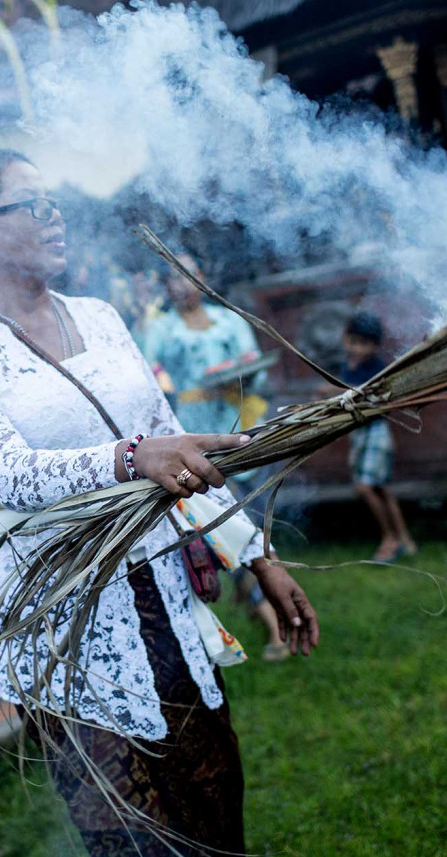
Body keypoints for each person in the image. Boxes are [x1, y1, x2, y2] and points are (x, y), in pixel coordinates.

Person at [0, 148, 319, 857]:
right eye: (31, 203)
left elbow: (175, 447)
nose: (55, 213)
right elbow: (8, 474)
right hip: (65, 624)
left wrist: (256, 557)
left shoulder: (99, 318)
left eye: (55, 199)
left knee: (215, 817)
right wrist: (134, 457)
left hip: (162, 598)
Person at [139, 255, 288, 660]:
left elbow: (252, 365)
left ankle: (274, 607)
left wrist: (240, 375)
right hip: (194, 440)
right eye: (174, 278)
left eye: (191, 275)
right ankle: (273, 622)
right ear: (165, 286)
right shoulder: (160, 328)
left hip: (241, 430)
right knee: (227, 526)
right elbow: (149, 377)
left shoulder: (229, 321)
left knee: (256, 521)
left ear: (203, 279)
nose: (184, 285)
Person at [339, 311, 417, 562]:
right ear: (345, 339)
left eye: (365, 344)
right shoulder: (347, 365)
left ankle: (390, 539)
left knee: (366, 487)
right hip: (360, 434)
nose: (358, 349)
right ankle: (405, 539)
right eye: (354, 342)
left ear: (374, 345)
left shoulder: (376, 369)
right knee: (381, 488)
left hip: (375, 432)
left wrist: (333, 390)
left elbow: (360, 395)